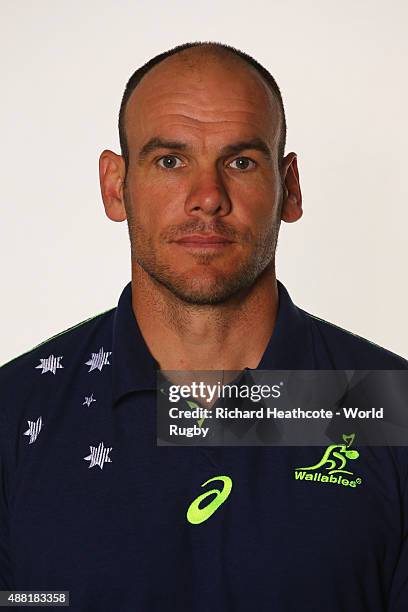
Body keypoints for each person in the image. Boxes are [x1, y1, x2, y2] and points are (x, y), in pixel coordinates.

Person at [1, 41, 407, 611]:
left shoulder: (391, 407)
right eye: (170, 161)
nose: (207, 198)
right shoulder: (16, 415)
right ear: (115, 185)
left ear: (289, 186)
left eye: (240, 162)